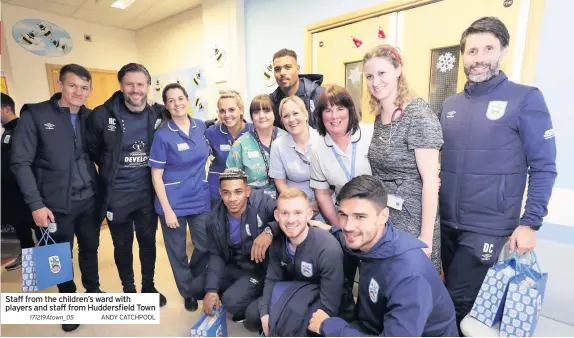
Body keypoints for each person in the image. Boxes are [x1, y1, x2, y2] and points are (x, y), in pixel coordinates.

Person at [439, 17, 557, 329]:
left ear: (503, 50)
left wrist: (531, 223)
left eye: (488, 48)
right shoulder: (449, 104)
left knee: (455, 304)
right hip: (447, 222)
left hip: (488, 226)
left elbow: (544, 166)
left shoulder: (526, 98)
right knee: (453, 300)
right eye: (472, 50)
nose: (478, 58)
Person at [10, 64, 103, 332]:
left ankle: (93, 291)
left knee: (90, 248)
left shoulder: (90, 117)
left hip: (89, 199)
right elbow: (20, 163)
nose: (78, 91)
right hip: (55, 205)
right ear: (60, 84)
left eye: (84, 87)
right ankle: (69, 305)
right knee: (59, 256)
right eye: (72, 85)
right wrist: (36, 205)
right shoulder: (36, 115)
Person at [308, 175, 458, 337]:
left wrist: (329, 326)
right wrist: (329, 230)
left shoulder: (409, 276)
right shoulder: (371, 240)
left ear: (384, 216)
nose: (348, 226)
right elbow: (345, 238)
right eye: (343, 215)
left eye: (360, 216)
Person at [86, 63, 166, 305]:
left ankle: (149, 286)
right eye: (129, 84)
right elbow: (92, 150)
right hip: (116, 195)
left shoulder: (158, 113)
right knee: (121, 244)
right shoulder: (101, 114)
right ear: (121, 86)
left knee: (148, 242)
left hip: (146, 194)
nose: (135, 89)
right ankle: (129, 289)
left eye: (140, 84)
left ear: (148, 86)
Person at [363, 44, 443, 272]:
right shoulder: (379, 117)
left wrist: (425, 237)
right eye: (369, 76)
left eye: (381, 73)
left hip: (413, 219)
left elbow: (430, 180)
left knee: (412, 287)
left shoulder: (418, 114)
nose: (375, 82)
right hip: (386, 217)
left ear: (398, 70)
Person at [148, 83, 211, 311]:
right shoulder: (163, 135)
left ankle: (193, 277)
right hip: (172, 201)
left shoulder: (201, 126)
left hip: (199, 197)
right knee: (177, 252)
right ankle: (188, 292)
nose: (177, 104)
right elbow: (156, 176)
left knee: (204, 245)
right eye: (171, 100)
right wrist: (167, 210)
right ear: (166, 105)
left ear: (187, 99)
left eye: (180, 98)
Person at [189, 168, 279, 329]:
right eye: (226, 193)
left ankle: (252, 297)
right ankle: (238, 292)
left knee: (232, 302)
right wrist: (211, 290)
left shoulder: (262, 202)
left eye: (238, 192)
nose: (232, 199)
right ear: (220, 193)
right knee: (196, 288)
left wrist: (269, 231)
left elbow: (285, 215)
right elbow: (216, 254)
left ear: (247, 191)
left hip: (260, 269)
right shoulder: (214, 218)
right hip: (235, 266)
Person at [259, 188, 344, 337]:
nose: (291, 220)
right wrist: (265, 312)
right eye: (285, 213)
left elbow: (330, 305)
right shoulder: (278, 242)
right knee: (258, 313)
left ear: (309, 214)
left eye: (298, 213)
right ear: (277, 216)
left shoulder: (327, 248)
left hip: (323, 297)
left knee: (296, 327)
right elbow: (272, 278)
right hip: (297, 289)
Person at [310, 84, 374, 226]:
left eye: (340, 109)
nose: (334, 116)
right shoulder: (317, 149)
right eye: (327, 110)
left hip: (376, 214)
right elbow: (322, 194)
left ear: (350, 110)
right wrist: (338, 226)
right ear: (320, 115)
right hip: (346, 216)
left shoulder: (370, 134)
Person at [269, 96, 321, 219]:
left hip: (326, 203)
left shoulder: (323, 139)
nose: (291, 119)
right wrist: (302, 206)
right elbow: (280, 183)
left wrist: (319, 203)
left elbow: (332, 182)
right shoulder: (278, 146)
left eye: (295, 113)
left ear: (305, 114)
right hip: (295, 207)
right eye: (286, 116)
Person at [2, 93, 37, 271]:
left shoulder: (20, 129)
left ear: (7, 109)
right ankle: (28, 257)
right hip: (11, 190)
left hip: (23, 189)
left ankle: (42, 261)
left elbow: (23, 162)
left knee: (33, 224)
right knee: (21, 224)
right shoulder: (7, 130)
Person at [226, 94, 286, 198]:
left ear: (274, 113)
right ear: (252, 117)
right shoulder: (241, 144)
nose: (262, 116)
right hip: (253, 204)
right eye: (256, 112)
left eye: (266, 111)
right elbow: (231, 180)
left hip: (287, 201)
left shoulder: (286, 138)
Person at [205, 91, 252, 202]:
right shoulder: (212, 133)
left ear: (241, 110)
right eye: (222, 111)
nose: (227, 115)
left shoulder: (253, 131)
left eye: (231, 110)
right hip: (217, 192)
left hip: (247, 192)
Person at [270, 49, 324, 129]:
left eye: (287, 67)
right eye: (277, 69)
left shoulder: (320, 95)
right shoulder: (271, 102)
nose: (282, 73)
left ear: (298, 68)